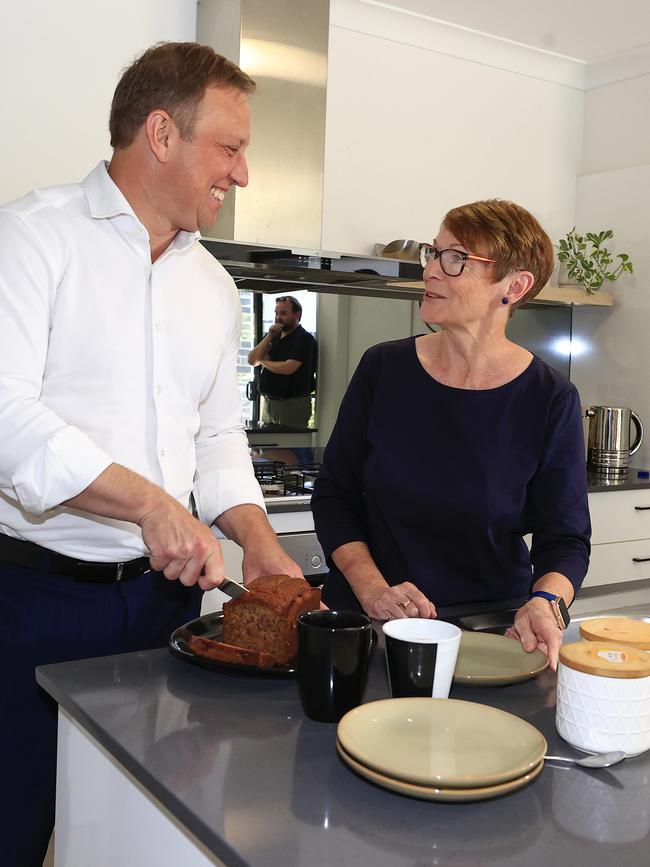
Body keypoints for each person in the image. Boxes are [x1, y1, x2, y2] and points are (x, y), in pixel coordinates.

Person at [0, 42, 304, 867]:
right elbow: (7, 418)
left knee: (148, 829)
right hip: (35, 601)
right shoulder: (31, 236)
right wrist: (149, 503)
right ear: (161, 134)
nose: (241, 174)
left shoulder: (213, 286)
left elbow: (215, 441)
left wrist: (260, 541)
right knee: (13, 824)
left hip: (166, 613)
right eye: (231, 148)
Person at [311, 199, 591, 672]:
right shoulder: (383, 368)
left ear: (514, 286)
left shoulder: (550, 397)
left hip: (489, 635)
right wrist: (372, 590)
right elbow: (335, 495)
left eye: (456, 258)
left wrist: (546, 601)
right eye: (433, 253)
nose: (432, 272)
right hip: (372, 628)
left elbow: (564, 538)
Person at [248, 295, 317, 428]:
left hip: (291, 404)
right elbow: (252, 360)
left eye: (283, 313)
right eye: (276, 313)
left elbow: (288, 368)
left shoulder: (304, 339)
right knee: (268, 447)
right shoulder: (274, 335)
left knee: (288, 446)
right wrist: (269, 336)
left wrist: (263, 361)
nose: (278, 317)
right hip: (268, 402)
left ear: (297, 315)